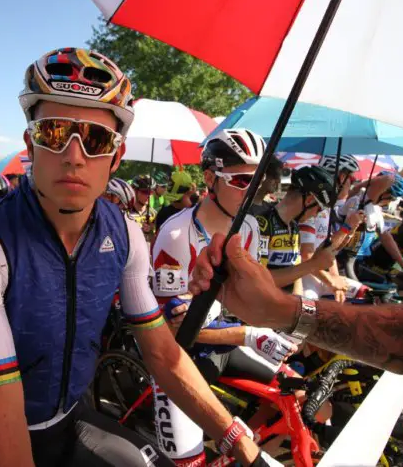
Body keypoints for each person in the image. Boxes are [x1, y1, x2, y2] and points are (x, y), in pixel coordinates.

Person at [0, 48, 273, 467]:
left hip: (68, 420)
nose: (75, 156)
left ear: (115, 157)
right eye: (55, 133)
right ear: (31, 145)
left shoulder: (126, 233)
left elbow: (165, 355)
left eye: (96, 140)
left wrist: (240, 442)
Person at [190, 152, 403, 462]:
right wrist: (280, 312)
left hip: (262, 313)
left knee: (293, 383)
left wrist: (292, 305)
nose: (321, 213)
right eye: (241, 180)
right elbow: (295, 270)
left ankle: (258, 438)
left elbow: (303, 268)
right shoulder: (249, 224)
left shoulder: (290, 225)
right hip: (221, 328)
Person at [151, 128, 299, 465]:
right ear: (210, 178)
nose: (255, 191)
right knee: (188, 461)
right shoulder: (176, 234)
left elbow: (254, 298)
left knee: (298, 390)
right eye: (243, 180)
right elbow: (169, 333)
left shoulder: (250, 227)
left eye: (259, 181)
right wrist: (247, 334)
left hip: (221, 340)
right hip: (178, 356)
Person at [253, 166, 337, 295]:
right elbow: (259, 279)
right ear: (309, 200)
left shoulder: (294, 226)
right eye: (319, 209)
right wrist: (313, 264)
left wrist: (300, 305)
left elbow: (295, 276)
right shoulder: (263, 223)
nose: (315, 215)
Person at [300, 155, 366, 302]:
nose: (351, 185)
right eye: (352, 180)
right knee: (310, 314)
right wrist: (332, 281)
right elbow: (306, 256)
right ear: (342, 177)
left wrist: (351, 227)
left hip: (321, 274)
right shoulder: (312, 205)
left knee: (368, 296)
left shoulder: (326, 207)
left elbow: (330, 250)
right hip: (305, 276)